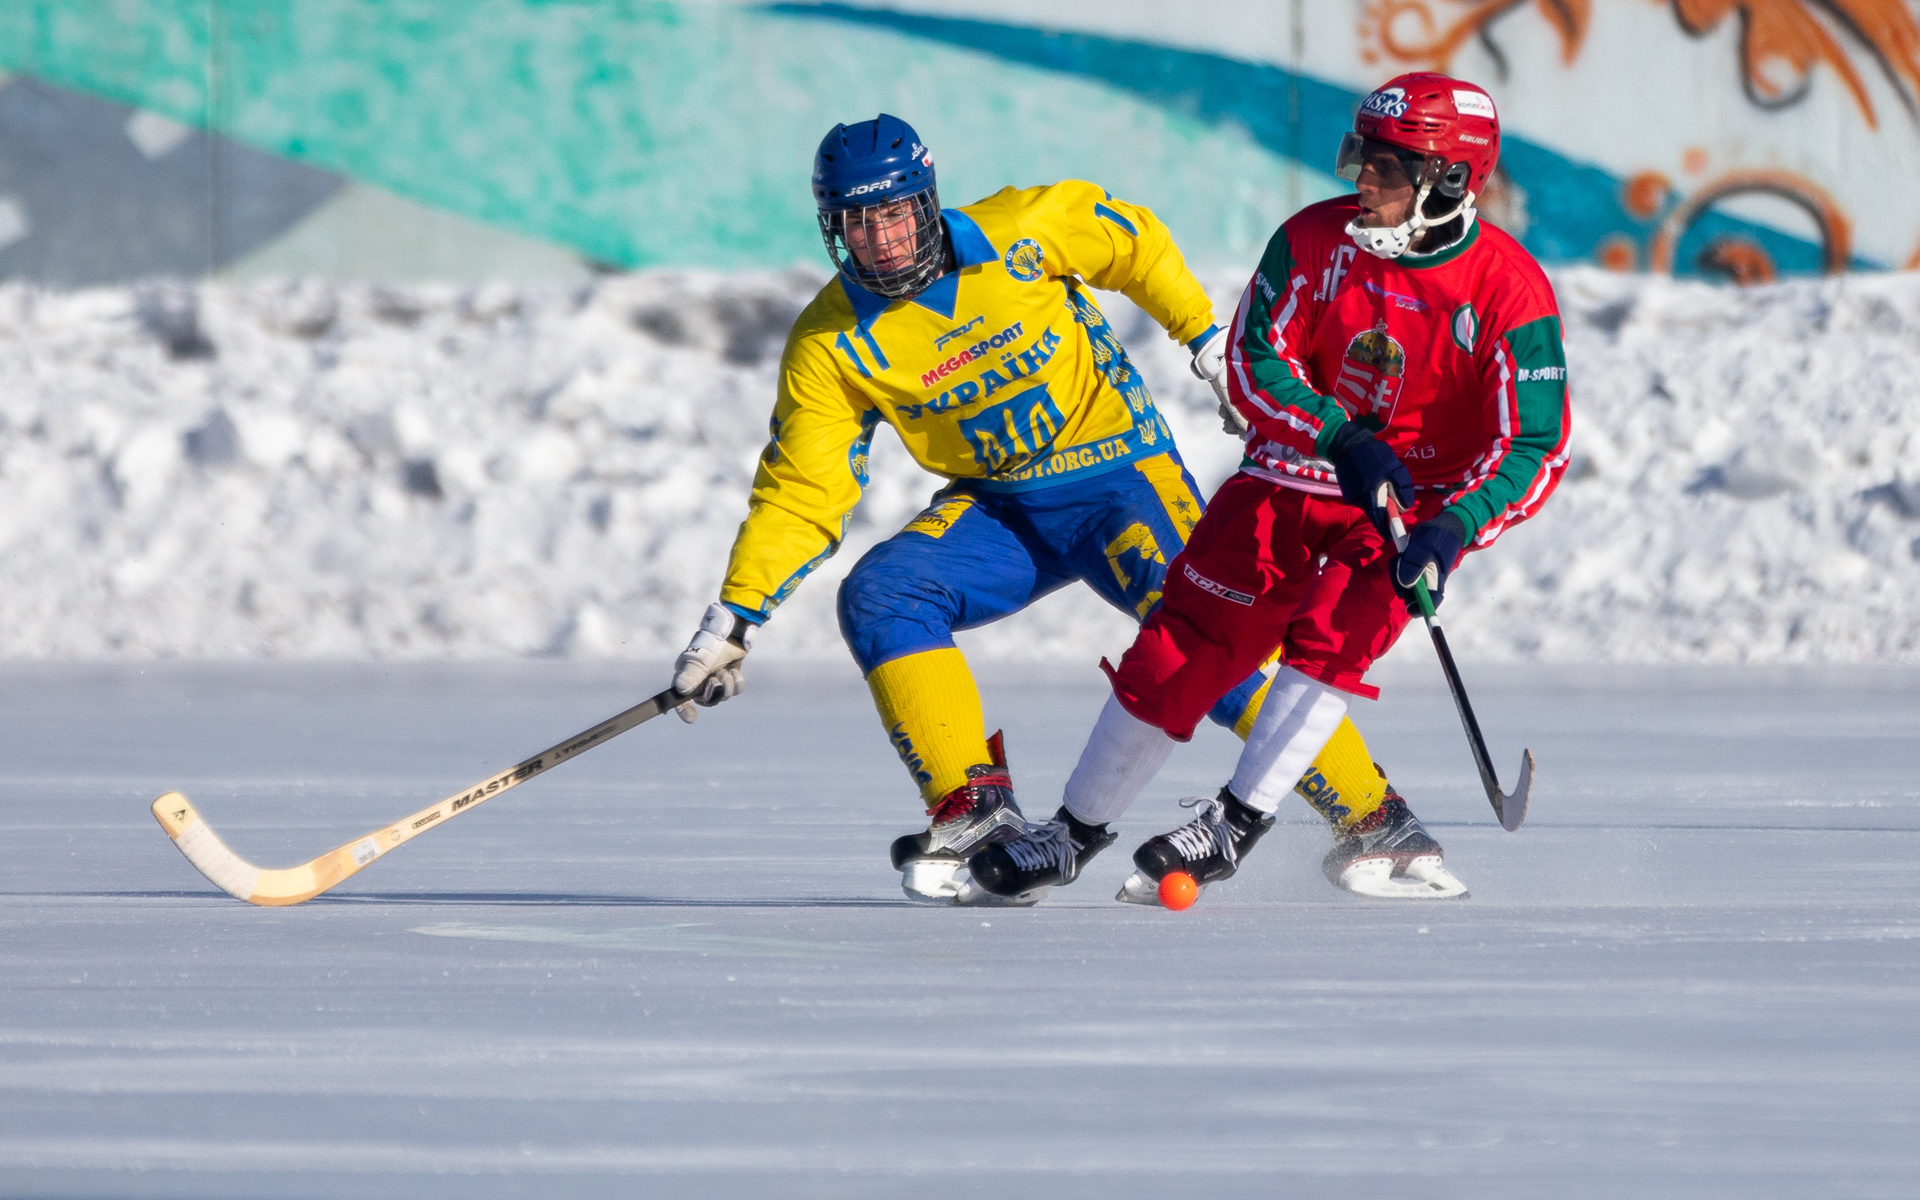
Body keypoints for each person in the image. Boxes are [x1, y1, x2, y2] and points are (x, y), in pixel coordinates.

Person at [668, 113, 1420, 904]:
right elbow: (801, 489)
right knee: (883, 593)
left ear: (926, 204)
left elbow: (1134, 241)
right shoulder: (830, 343)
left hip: (1120, 480)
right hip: (1000, 511)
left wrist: (1205, 340)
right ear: (833, 229)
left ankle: (1378, 820)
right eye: (857, 223)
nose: (882, 241)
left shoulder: (1024, 229)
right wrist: (735, 618)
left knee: (1212, 647)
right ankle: (976, 813)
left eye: (894, 214)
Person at [985, 73, 1571, 905]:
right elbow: (1256, 361)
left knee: (1336, 638)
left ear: (1450, 181)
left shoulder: (1509, 290)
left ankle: (1235, 820)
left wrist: (1454, 528)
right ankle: (1069, 834)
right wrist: (1340, 438)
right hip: (1288, 474)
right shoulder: (1308, 240)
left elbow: (1534, 443)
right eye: (1361, 156)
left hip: (1408, 510)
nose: (1363, 179)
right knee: (1180, 646)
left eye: (1389, 167)